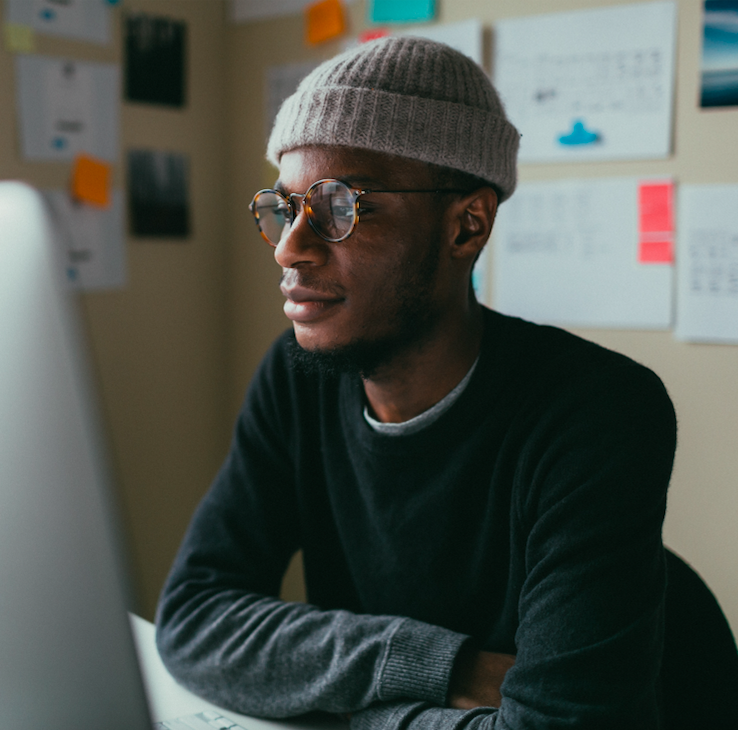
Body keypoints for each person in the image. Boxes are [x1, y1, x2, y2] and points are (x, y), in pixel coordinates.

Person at [155, 36, 676, 729]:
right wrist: (440, 668)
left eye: (338, 205)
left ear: (467, 225)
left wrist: (336, 707)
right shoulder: (295, 379)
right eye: (283, 208)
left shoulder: (598, 412)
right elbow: (193, 619)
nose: (288, 248)